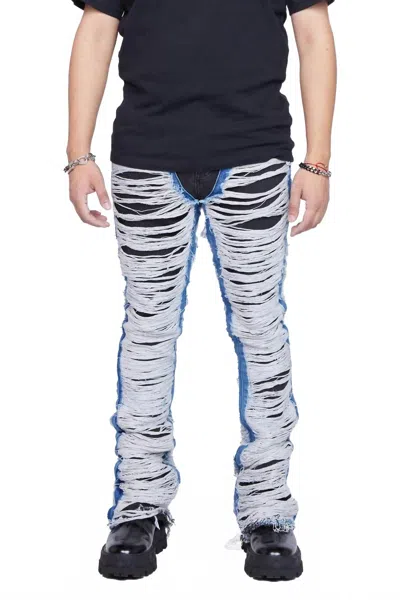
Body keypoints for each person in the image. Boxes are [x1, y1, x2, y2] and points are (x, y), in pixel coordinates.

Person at [67, 0, 336, 581]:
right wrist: (77, 154)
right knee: (148, 334)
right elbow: (96, 29)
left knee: (260, 330)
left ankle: (268, 509)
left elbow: (313, 31)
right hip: (146, 156)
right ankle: (140, 504)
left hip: (255, 154)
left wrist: (318, 161)